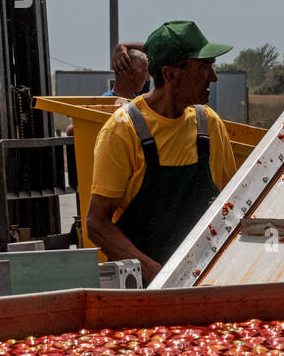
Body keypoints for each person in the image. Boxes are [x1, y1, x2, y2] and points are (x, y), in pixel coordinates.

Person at [86, 21, 237, 281]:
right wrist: (159, 277)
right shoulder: (124, 130)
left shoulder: (209, 125)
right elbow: (97, 225)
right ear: (170, 74)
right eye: (203, 66)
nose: (213, 76)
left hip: (203, 280)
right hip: (146, 292)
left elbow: (231, 207)